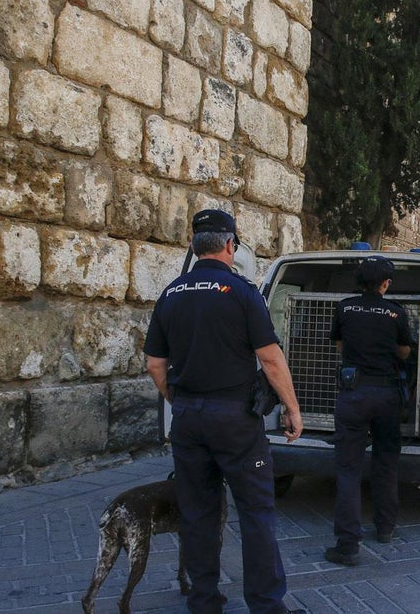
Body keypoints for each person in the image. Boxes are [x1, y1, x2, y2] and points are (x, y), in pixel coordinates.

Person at [143, 209, 304, 614]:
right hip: (235, 421)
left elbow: (155, 365)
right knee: (256, 511)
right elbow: (270, 359)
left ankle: (204, 601)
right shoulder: (243, 293)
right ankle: (266, 605)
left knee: (197, 513)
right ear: (231, 245)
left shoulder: (170, 293)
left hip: (189, 419)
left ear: (194, 247)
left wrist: (177, 402)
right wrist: (291, 408)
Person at [324, 255, 413, 566]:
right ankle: (385, 527)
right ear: (385, 284)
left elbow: (338, 346)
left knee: (348, 469)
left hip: (353, 393)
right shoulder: (395, 312)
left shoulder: (344, 307)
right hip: (387, 394)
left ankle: (347, 546)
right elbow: (405, 351)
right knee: (386, 462)